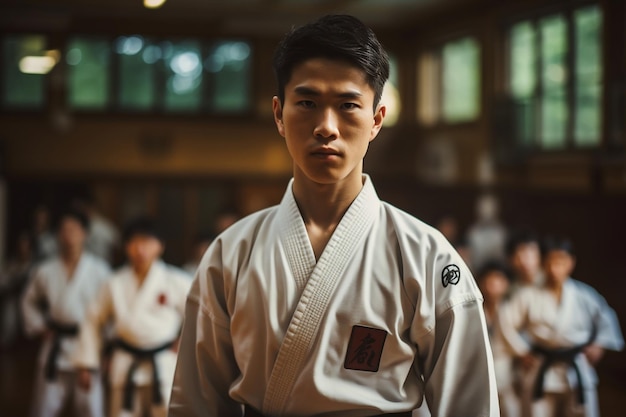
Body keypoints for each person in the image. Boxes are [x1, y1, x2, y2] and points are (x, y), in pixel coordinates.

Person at [169, 14, 499, 417]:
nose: (326, 127)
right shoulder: (231, 254)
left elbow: (472, 407)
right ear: (278, 114)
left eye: (347, 106)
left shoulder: (427, 256)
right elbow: (196, 405)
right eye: (307, 103)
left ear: (376, 119)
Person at [74, 216, 192, 417]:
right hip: (125, 362)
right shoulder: (114, 283)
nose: (140, 249)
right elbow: (93, 320)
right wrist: (87, 363)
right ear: (126, 246)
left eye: (146, 242)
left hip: (164, 362)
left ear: (160, 246)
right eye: (134, 242)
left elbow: (201, 316)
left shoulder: (177, 280)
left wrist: (185, 340)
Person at [499, 237, 624, 417]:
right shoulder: (528, 295)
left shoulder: (584, 295)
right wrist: (521, 351)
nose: (554, 268)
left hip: (576, 365)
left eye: (560, 261)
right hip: (542, 365)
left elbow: (606, 318)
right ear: (542, 263)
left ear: (571, 263)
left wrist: (599, 345)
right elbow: (505, 321)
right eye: (550, 261)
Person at [21, 208, 112, 417]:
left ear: (85, 234)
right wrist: (39, 326)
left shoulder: (100, 270)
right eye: (64, 229)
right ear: (58, 234)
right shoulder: (45, 270)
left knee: (91, 409)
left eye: (74, 229)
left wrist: (108, 347)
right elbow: (28, 300)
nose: (69, 234)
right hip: (56, 344)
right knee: (44, 408)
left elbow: (109, 311)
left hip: (88, 347)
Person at [477, 260, 520, 417]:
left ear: (507, 283)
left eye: (498, 279)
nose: (493, 284)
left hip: (507, 367)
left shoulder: (512, 308)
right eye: (489, 279)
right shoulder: (476, 310)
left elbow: (518, 340)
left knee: (510, 408)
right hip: (481, 368)